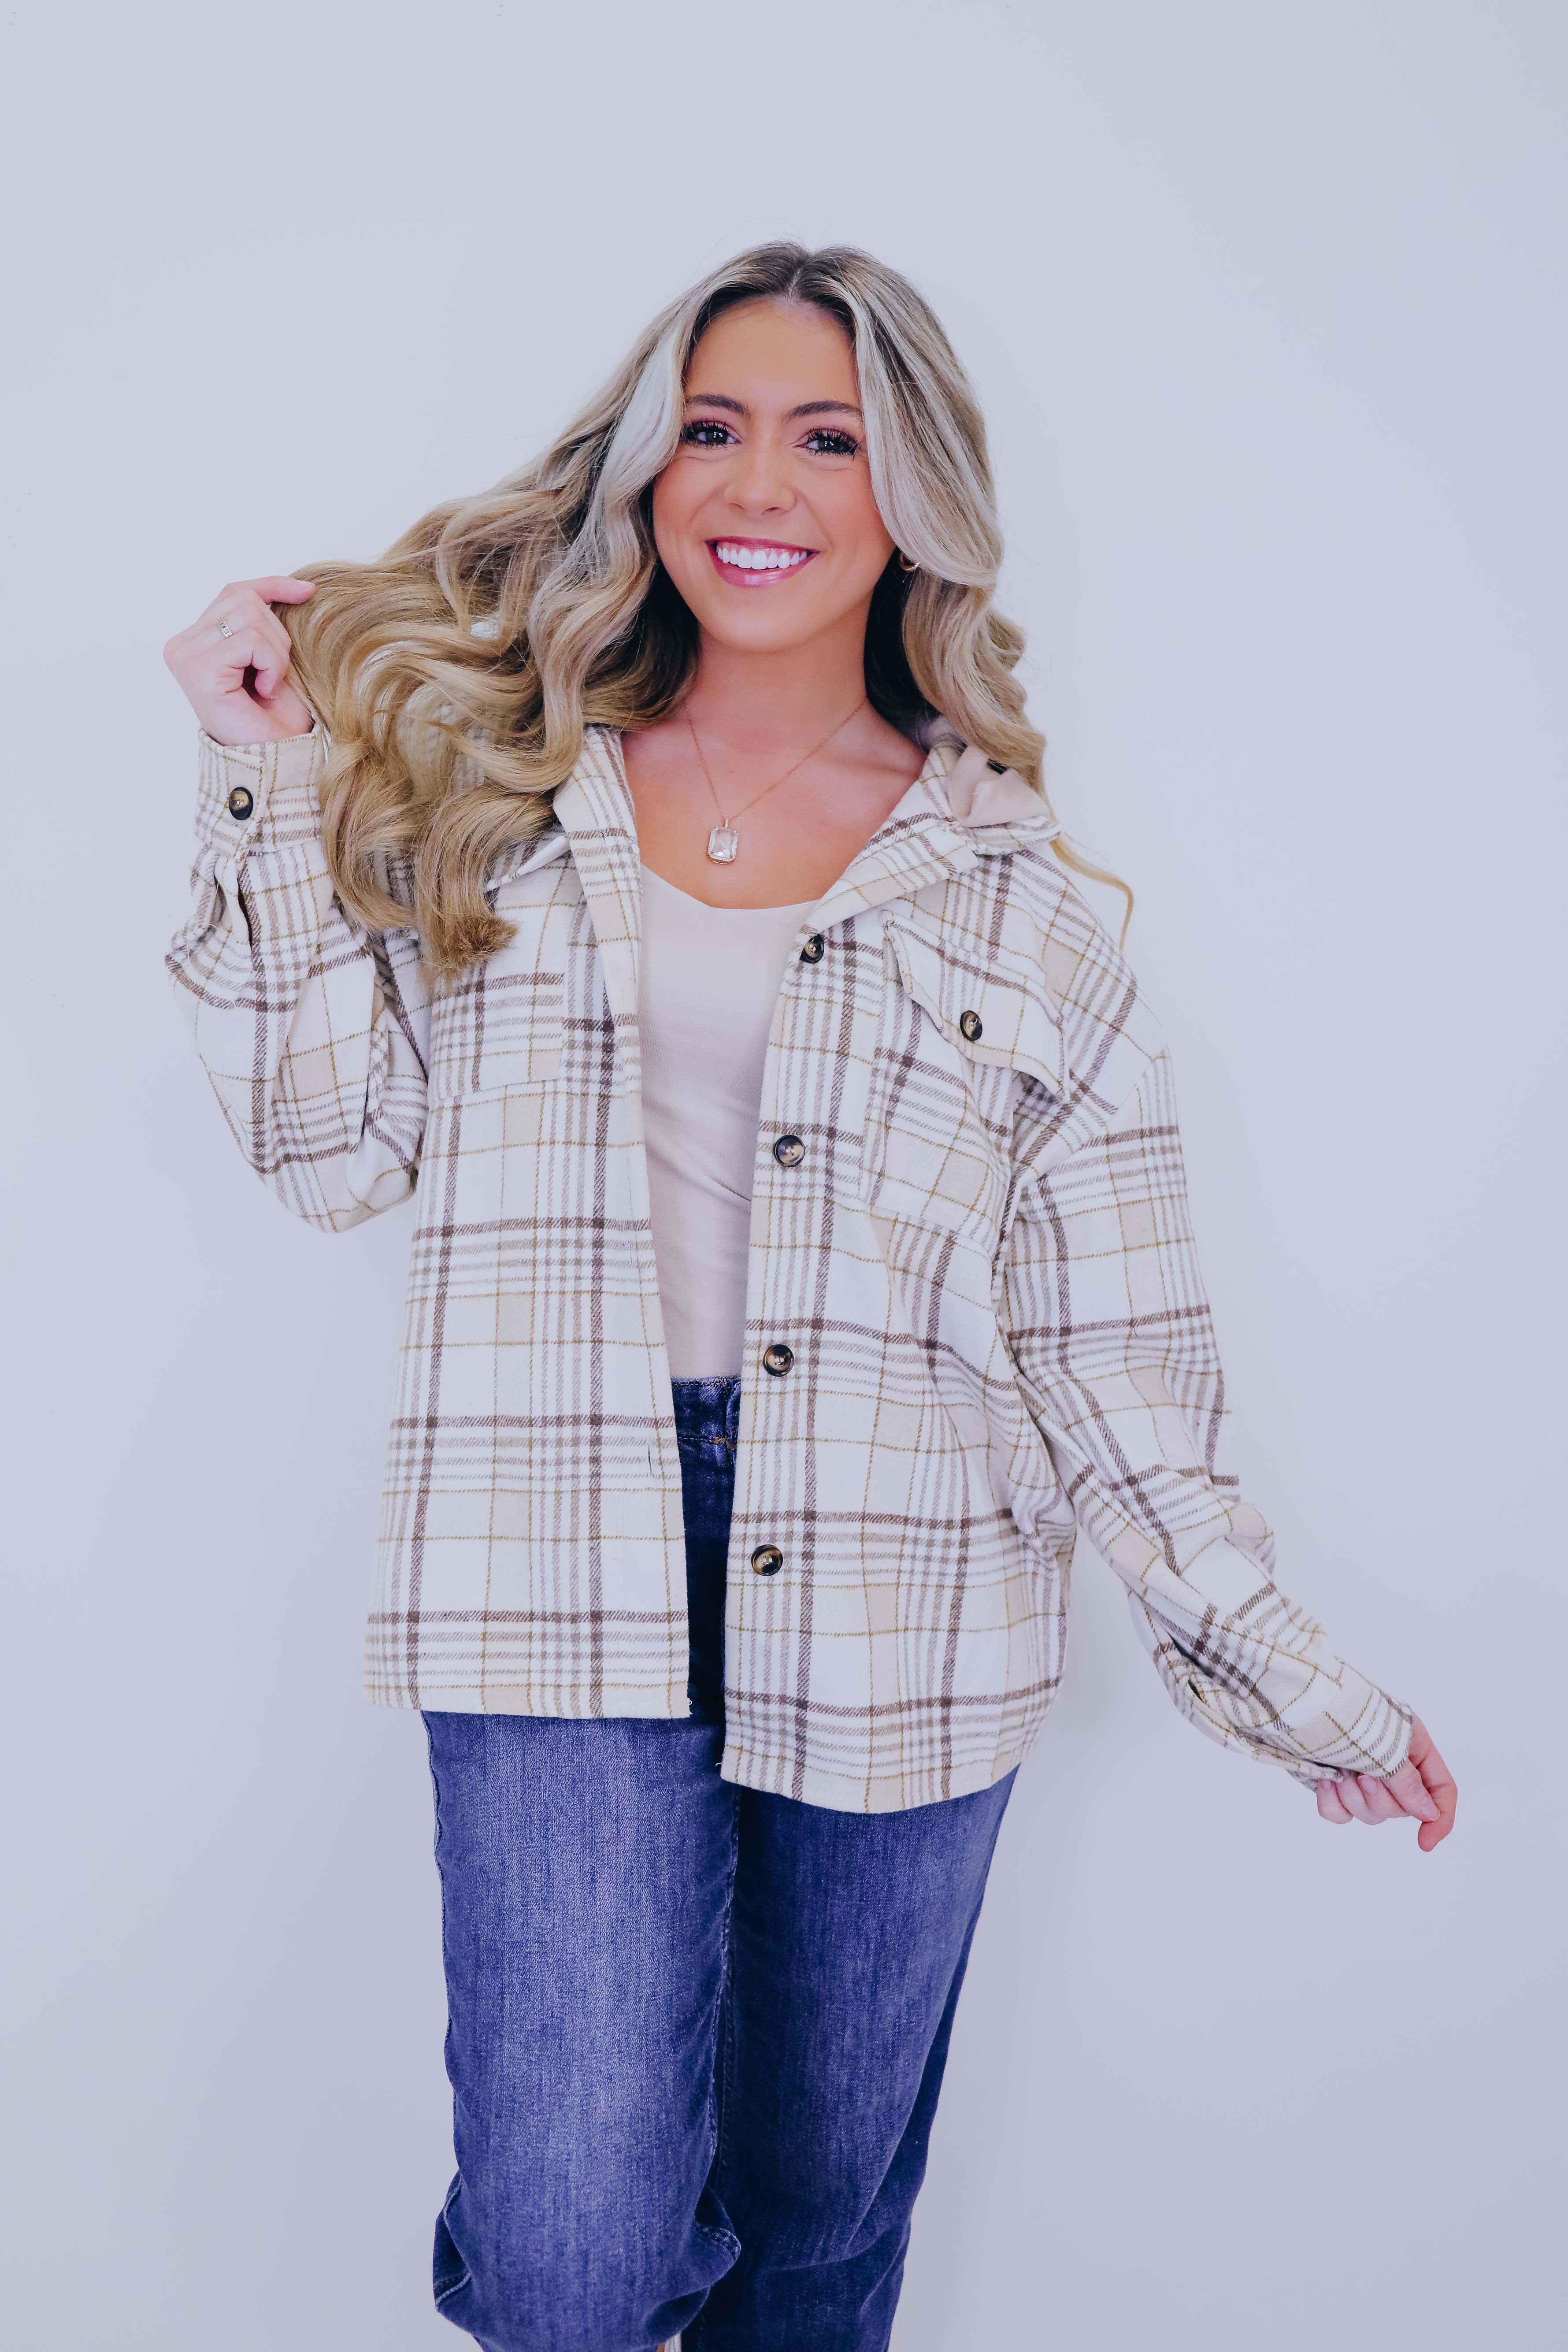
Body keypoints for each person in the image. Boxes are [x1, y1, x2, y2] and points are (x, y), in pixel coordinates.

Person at [163, 241, 1457, 2352]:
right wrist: (260, 777)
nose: (756, 484)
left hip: (911, 1577)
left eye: (827, 439)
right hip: (547, 1547)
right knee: (573, 2257)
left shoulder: (1019, 906)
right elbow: (330, 1155)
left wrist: (1284, 1681)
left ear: (911, 498)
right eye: (709, 427)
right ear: (644, 472)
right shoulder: (506, 795)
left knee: (817, 2229)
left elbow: (1107, 1358)